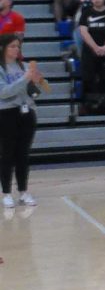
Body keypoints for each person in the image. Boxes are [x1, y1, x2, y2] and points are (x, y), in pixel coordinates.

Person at [0, 35, 42, 207]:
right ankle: (7, 193)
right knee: (7, 154)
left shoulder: (24, 66)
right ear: (2, 48)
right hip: (6, 114)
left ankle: (23, 192)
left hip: (26, 113)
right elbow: (4, 92)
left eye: (18, 46)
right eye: (12, 46)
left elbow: (35, 93)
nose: (16, 49)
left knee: (23, 154)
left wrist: (36, 82)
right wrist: (25, 79)